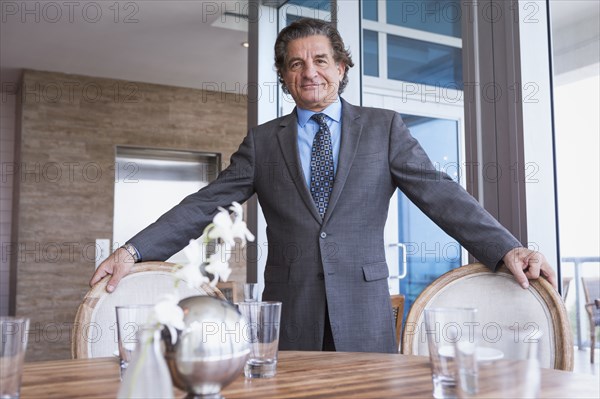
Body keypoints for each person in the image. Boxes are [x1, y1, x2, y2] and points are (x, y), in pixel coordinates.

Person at [90, 18, 557, 353]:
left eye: (319, 60)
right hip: (290, 312)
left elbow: (441, 193)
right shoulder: (263, 142)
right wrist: (133, 251)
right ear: (285, 77)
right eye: (295, 64)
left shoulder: (383, 128)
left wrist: (505, 247)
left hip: (365, 312)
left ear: (341, 68)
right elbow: (205, 203)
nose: (308, 71)